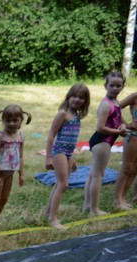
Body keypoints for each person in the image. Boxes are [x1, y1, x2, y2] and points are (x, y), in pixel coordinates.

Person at [45, 83, 90, 229]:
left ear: (85, 101)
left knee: (59, 184)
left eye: (81, 98)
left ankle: (48, 213)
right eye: (74, 96)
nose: (77, 99)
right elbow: (51, 136)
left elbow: (72, 138)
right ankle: (53, 219)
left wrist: (72, 157)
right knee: (63, 185)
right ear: (68, 97)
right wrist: (48, 157)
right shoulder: (62, 114)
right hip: (59, 151)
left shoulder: (76, 116)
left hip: (69, 154)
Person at [85, 72, 128, 216]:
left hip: (104, 141)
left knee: (93, 174)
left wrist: (124, 126)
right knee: (97, 176)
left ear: (122, 87)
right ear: (105, 86)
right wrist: (118, 132)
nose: (115, 88)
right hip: (102, 141)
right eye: (112, 85)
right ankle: (94, 209)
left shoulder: (116, 102)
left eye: (118, 86)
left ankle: (87, 205)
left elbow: (119, 119)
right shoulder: (105, 104)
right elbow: (100, 128)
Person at [0, 105, 30, 228]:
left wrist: (21, 174)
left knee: (4, 199)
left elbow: (20, 156)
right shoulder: (0, 136)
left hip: (10, 174)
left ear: (21, 120)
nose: (11, 123)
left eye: (15, 120)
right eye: (7, 120)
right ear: (3, 120)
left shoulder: (21, 136)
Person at [113, 90, 137, 210]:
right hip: (133, 136)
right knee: (127, 168)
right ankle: (117, 200)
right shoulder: (135, 96)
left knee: (134, 170)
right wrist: (127, 125)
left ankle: (123, 198)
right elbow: (115, 109)